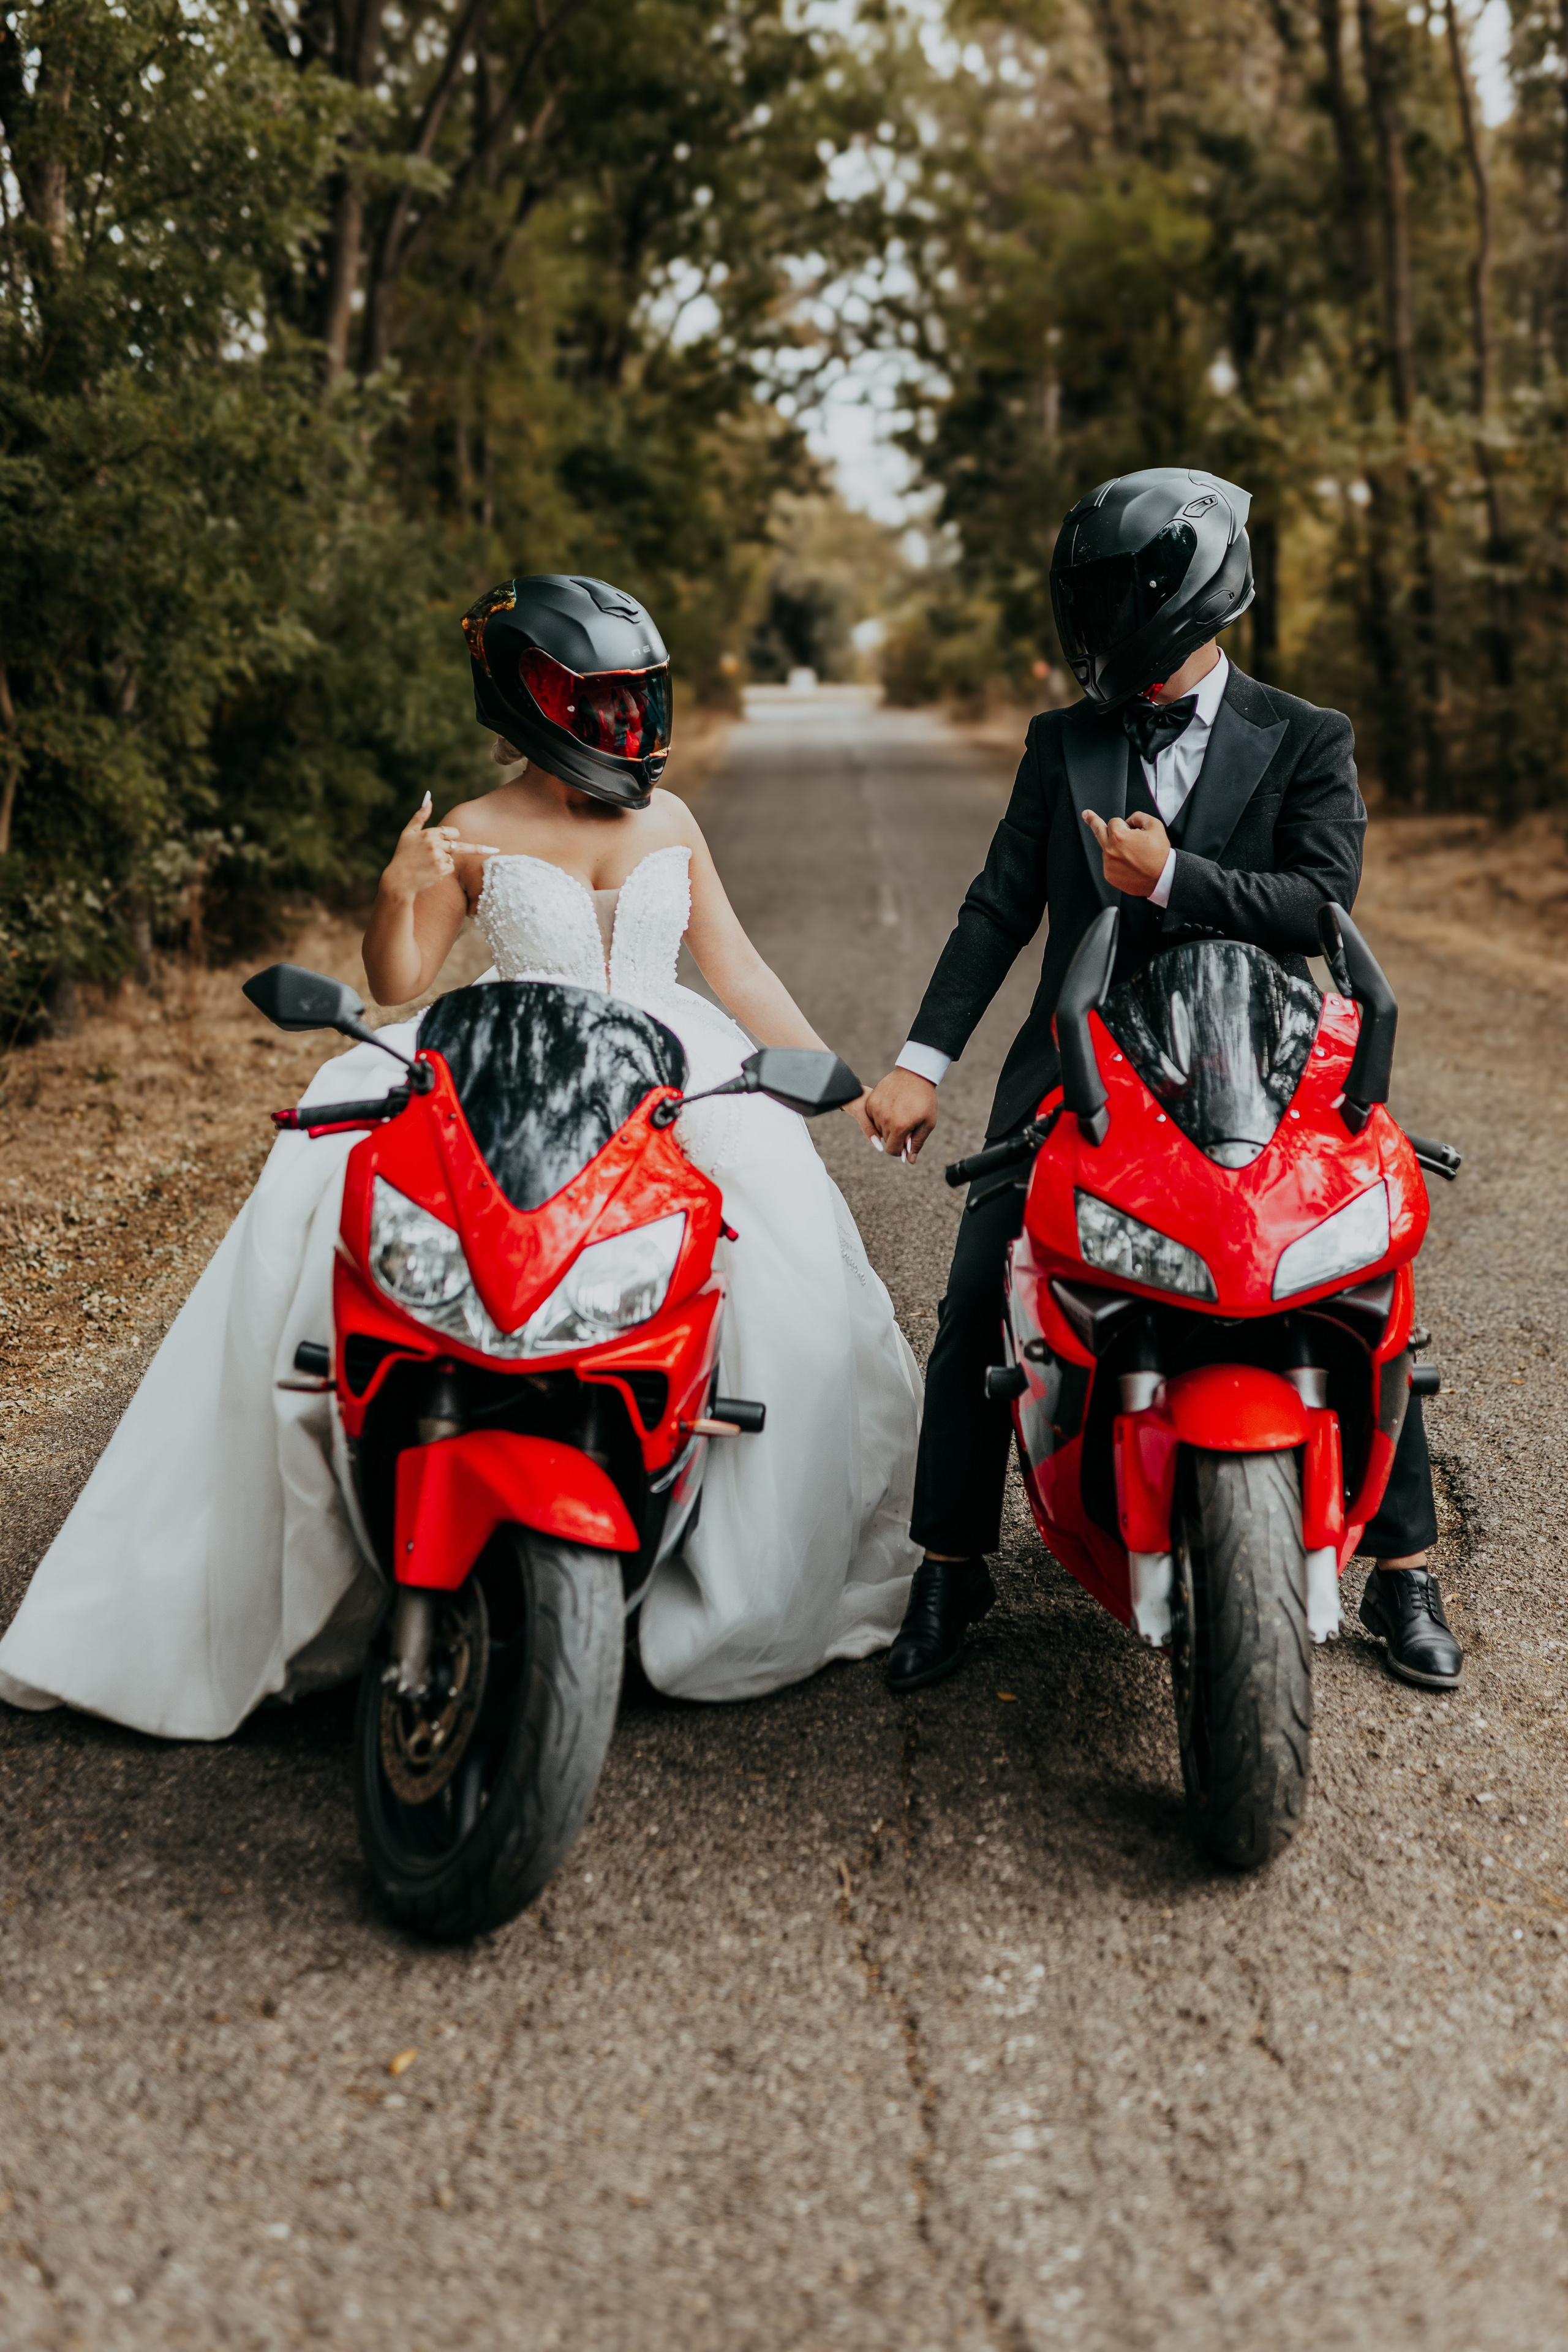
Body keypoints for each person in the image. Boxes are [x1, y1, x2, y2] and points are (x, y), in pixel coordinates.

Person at [0, 574, 921, 1736]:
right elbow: (397, 983)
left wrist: (847, 1087)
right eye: (597, 698)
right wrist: (397, 893)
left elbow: (737, 969)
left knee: (771, 1293)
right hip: (514, 1063)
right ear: (533, 702)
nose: (622, 719)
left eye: (633, 697)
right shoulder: (471, 830)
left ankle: (702, 1563)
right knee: (348, 1225)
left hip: (667, 1069)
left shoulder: (672, 821)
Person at [863, 467, 1460, 1695]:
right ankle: (950, 1563)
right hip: (1083, 1066)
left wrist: (1174, 878)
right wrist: (921, 1064)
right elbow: (997, 910)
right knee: (979, 1293)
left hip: (1262, 1061)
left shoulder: (1306, 735)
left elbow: (1319, 900)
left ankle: (1403, 1570)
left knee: (1360, 1287)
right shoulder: (1061, 743)